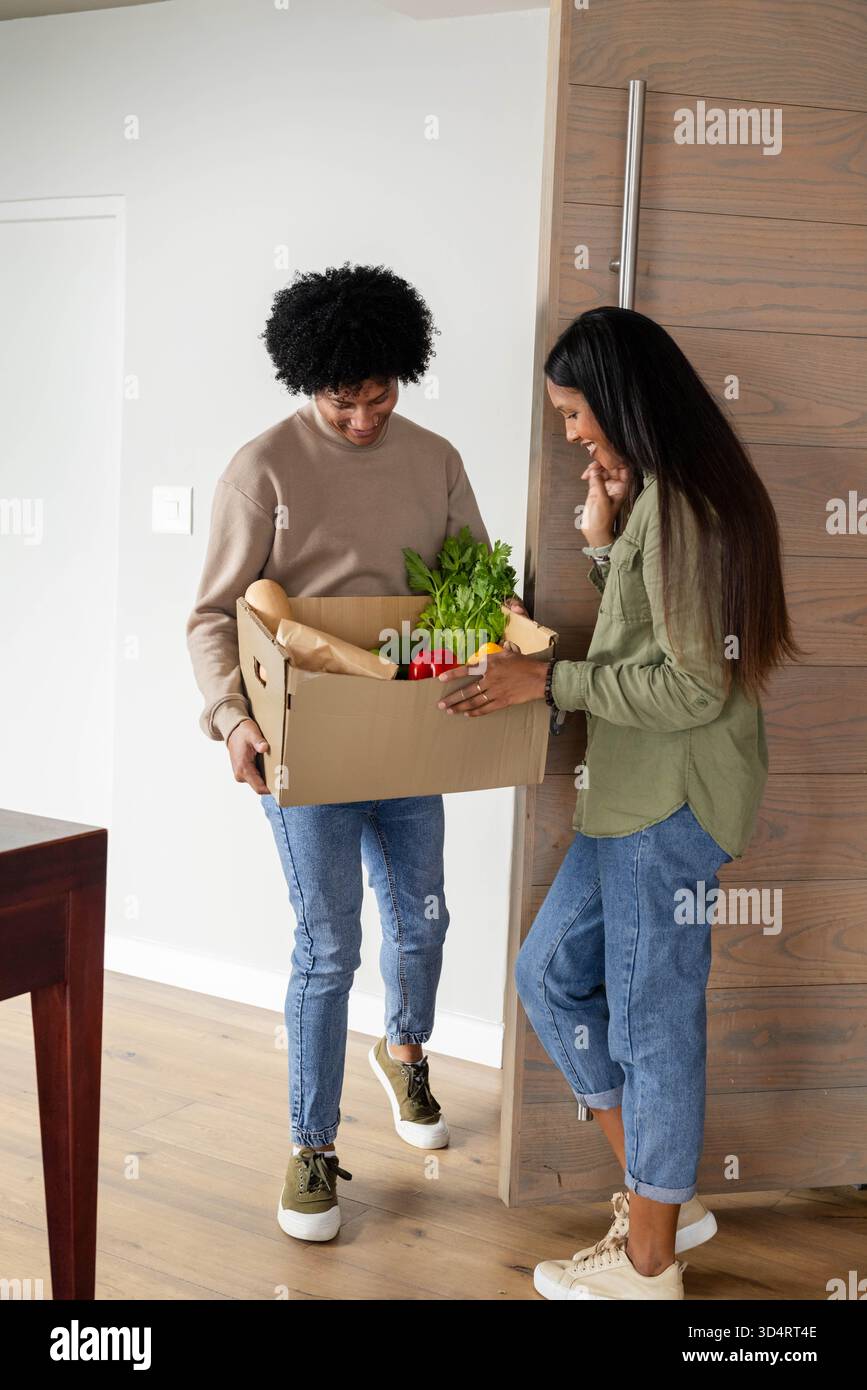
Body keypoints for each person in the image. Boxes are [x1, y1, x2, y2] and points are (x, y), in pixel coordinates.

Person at [437, 305, 797, 1300]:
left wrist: (544, 682)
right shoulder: (660, 504)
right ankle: (660, 1193)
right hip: (628, 796)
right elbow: (653, 641)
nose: (568, 432)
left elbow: (692, 686)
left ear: (618, 398)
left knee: (652, 1026)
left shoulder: (683, 507)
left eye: (571, 411)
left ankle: (649, 1262)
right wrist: (604, 544)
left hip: (668, 806)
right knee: (548, 973)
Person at [186, 263, 500, 1242]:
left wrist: (496, 633)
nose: (364, 417)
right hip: (302, 740)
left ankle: (403, 1049)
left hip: (406, 728)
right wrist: (233, 720)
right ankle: (312, 1147)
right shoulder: (262, 468)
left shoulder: (436, 457)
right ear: (305, 382)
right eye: (342, 398)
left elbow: (474, 588)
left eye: (380, 395)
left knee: (425, 922)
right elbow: (210, 616)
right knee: (330, 948)